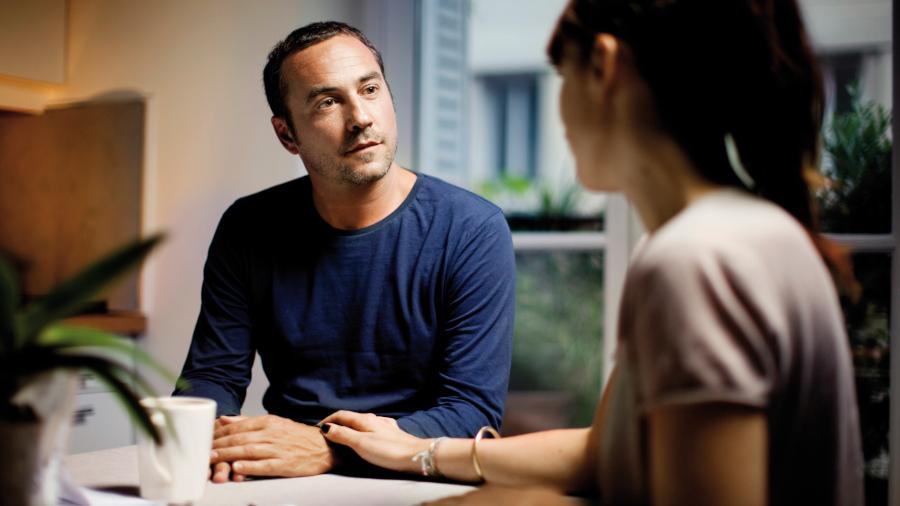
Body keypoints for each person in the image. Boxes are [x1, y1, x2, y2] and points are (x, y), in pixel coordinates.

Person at [315, 1, 866, 505]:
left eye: (561, 75)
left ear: (602, 67)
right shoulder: (743, 232)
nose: (559, 108)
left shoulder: (697, 260)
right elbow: (610, 453)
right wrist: (416, 450)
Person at [175, 21, 515, 483]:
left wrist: (325, 447)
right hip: (288, 476)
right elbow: (212, 377)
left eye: (370, 89)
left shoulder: (471, 228)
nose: (361, 117)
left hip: (417, 477)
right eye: (328, 102)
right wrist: (214, 443)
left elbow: (471, 411)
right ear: (287, 135)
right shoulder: (249, 227)